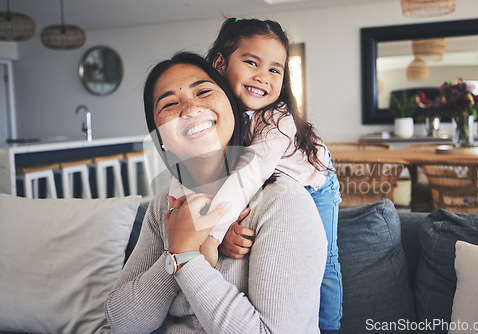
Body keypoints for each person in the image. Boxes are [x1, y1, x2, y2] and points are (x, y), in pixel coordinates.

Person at [104, 52, 328, 333]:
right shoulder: (164, 205)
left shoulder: (281, 201)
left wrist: (186, 255)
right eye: (170, 104)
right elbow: (123, 324)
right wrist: (173, 252)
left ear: (233, 108)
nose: (189, 108)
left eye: (204, 91)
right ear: (161, 139)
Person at [202, 18, 343, 334]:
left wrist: (212, 235)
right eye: (251, 62)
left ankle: (329, 327)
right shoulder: (214, 114)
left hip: (314, 182)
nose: (262, 77)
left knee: (325, 260)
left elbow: (249, 173)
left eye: (274, 70)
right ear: (220, 63)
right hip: (270, 185)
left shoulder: (277, 119)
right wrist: (224, 230)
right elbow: (217, 177)